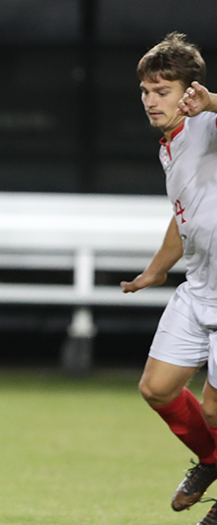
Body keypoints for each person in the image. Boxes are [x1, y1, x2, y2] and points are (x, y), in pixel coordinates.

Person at [122, 32, 217, 525]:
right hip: (200, 286)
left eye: (161, 91)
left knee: (216, 409)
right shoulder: (172, 145)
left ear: (188, 91)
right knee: (157, 388)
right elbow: (185, 217)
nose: (150, 101)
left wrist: (213, 102)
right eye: (145, 91)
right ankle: (213, 460)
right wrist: (155, 271)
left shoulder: (207, 124)